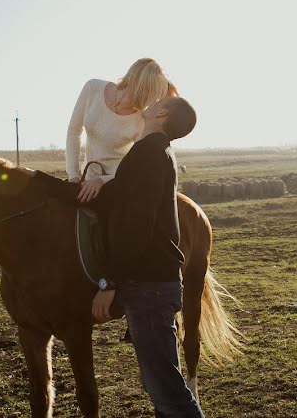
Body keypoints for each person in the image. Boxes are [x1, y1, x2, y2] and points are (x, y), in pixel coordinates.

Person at [91, 94, 203, 418]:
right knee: (164, 388)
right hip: (155, 286)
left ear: (162, 112)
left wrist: (109, 282)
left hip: (149, 287)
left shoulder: (150, 153)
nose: (150, 102)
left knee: (168, 394)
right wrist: (97, 184)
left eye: (157, 101)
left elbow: (136, 227)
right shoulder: (156, 153)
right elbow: (126, 199)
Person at [66, 58, 176, 204]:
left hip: (116, 182)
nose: (154, 101)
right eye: (153, 93)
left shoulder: (142, 121)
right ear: (140, 85)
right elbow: (74, 132)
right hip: (86, 177)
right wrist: (73, 175)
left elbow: (136, 164)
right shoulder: (92, 88)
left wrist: (102, 180)